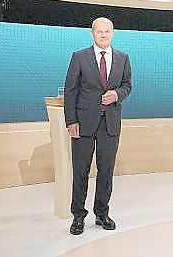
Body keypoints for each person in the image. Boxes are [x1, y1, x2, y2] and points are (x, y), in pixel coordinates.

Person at [64, 17, 132, 235]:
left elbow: (127, 85)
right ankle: (78, 216)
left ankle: (101, 213)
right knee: (81, 172)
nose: (103, 35)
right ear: (92, 33)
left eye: (107, 31)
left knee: (106, 172)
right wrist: (71, 121)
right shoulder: (79, 57)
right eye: (99, 31)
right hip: (83, 124)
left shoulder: (123, 58)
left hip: (110, 124)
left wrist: (117, 94)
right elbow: (71, 91)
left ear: (113, 33)